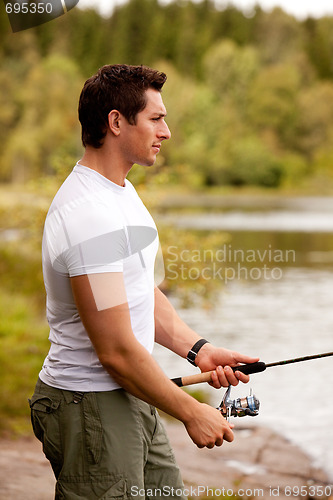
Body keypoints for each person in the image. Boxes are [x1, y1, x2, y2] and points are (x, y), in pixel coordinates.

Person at [29, 64, 259, 499]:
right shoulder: (89, 214)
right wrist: (191, 412)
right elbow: (114, 351)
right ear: (116, 122)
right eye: (156, 118)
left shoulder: (121, 193)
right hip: (91, 404)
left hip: (132, 391)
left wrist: (199, 350)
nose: (167, 131)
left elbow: (140, 293)